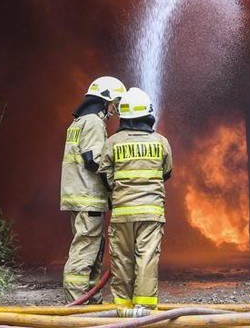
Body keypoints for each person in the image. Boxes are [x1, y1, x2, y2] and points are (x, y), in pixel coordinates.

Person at [98, 88, 173, 309]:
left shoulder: (113, 142)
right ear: (148, 114)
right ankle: (145, 312)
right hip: (151, 213)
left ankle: (122, 311)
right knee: (147, 259)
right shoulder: (161, 141)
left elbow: (104, 176)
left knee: (121, 261)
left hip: (122, 213)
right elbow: (166, 173)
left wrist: (120, 192)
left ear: (124, 116)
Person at [60, 76, 126, 303]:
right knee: (85, 250)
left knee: (93, 248)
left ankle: (92, 300)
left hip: (79, 196)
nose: (114, 110)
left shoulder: (78, 122)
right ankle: (76, 302)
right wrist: (114, 185)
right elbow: (94, 160)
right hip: (89, 198)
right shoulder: (94, 123)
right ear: (105, 100)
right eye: (115, 103)